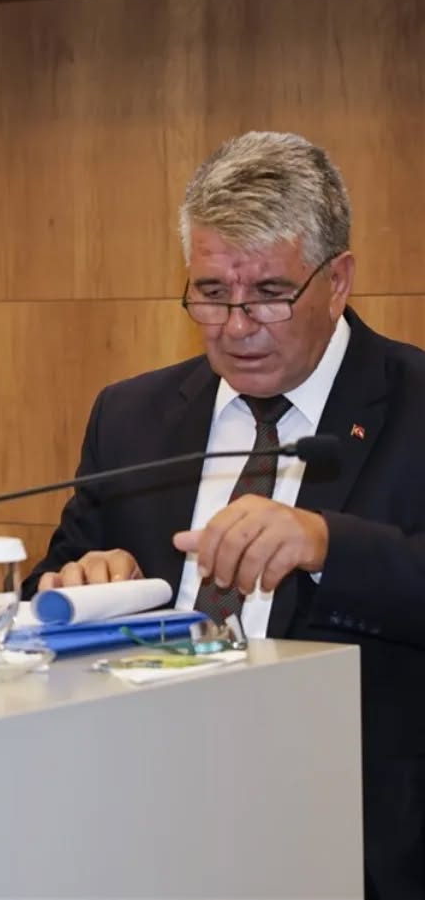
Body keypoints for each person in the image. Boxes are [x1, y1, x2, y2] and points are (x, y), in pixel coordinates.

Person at [25, 131, 425, 899]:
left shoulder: (414, 403)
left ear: (337, 280)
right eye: (210, 292)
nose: (236, 326)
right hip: (139, 805)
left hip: (357, 824)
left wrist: (328, 545)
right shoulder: (132, 415)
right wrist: (84, 584)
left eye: (270, 292)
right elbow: (51, 581)